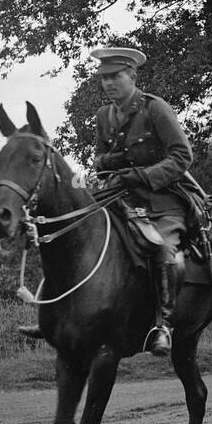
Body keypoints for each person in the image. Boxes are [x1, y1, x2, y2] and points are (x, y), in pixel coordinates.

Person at [89, 45, 193, 356]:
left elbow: (182, 156)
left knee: (163, 250)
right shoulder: (104, 115)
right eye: (104, 78)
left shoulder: (155, 108)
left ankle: (163, 325)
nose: (108, 83)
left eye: (115, 76)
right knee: (78, 234)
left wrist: (141, 175)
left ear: (132, 76)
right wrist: (109, 162)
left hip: (160, 201)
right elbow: (98, 158)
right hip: (117, 199)